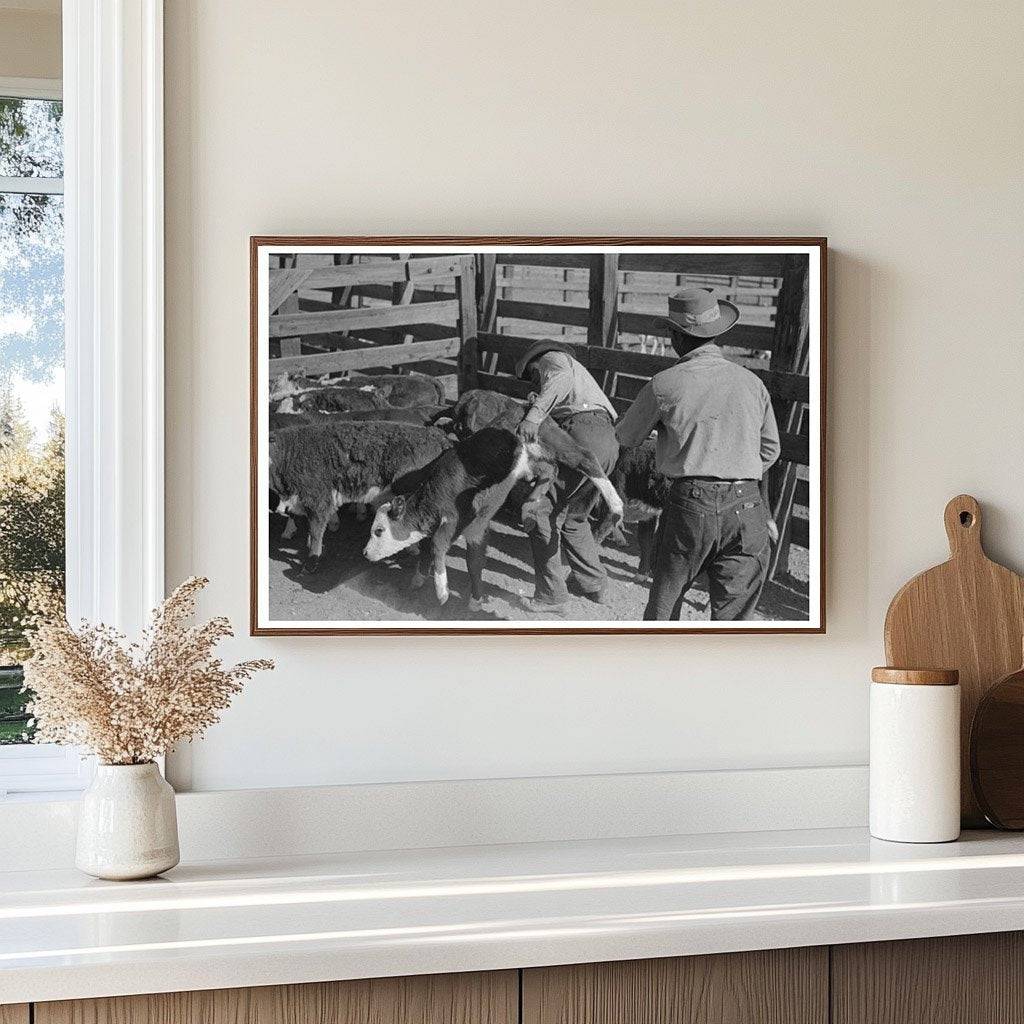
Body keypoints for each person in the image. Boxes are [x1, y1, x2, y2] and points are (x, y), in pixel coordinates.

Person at [616, 288, 781, 621]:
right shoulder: (752, 383)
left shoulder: (664, 383)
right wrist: (737, 466)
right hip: (746, 504)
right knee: (733, 618)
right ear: (716, 333)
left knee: (666, 602)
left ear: (676, 337)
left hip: (690, 506)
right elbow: (770, 449)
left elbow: (627, 437)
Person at [513, 340, 619, 610]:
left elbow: (559, 379)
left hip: (583, 434)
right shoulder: (578, 380)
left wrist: (534, 415)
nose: (535, 383)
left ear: (535, 364)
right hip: (606, 439)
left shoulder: (552, 359)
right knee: (574, 516)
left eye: (532, 377)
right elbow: (562, 390)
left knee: (540, 512)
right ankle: (594, 584)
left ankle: (551, 596)